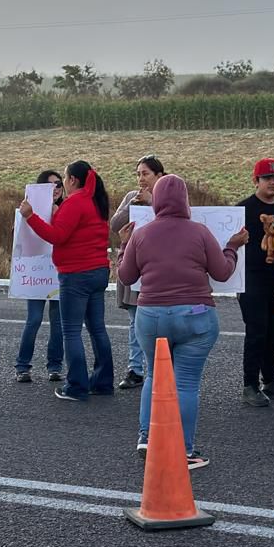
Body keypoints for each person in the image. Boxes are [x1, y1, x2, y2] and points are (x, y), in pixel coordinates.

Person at [118, 174, 248, 469]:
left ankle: (147, 438)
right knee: (186, 384)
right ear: (185, 200)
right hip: (194, 315)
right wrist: (231, 246)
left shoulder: (142, 234)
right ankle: (185, 451)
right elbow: (223, 272)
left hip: (151, 315)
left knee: (153, 376)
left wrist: (124, 245)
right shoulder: (199, 232)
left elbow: (127, 277)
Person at [19, 160, 113, 401]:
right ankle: (102, 382)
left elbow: (57, 235)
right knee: (97, 328)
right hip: (98, 270)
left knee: (71, 331)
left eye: (64, 179)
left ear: (72, 180)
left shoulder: (75, 203)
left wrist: (30, 217)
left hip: (76, 274)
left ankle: (76, 386)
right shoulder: (96, 202)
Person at [236, 158, 274, 408]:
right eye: (267, 178)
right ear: (256, 181)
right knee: (256, 332)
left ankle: (271, 381)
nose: (273, 182)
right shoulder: (243, 209)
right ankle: (249, 385)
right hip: (251, 279)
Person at [110, 155, 165, 389]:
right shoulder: (131, 197)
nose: (141, 178)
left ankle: (160, 368)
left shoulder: (169, 197)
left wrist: (153, 201)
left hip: (161, 265)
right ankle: (135, 368)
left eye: (146, 173)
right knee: (135, 320)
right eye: (139, 174)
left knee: (162, 321)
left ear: (159, 176)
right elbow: (114, 224)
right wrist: (134, 204)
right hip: (135, 262)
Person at [15, 170, 65, 383]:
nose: (55, 189)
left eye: (59, 185)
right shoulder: (28, 209)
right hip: (36, 274)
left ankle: (55, 366)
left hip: (57, 272)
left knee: (58, 322)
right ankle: (22, 367)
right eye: (49, 185)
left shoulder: (67, 209)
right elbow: (18, 237)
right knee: (33, 319)